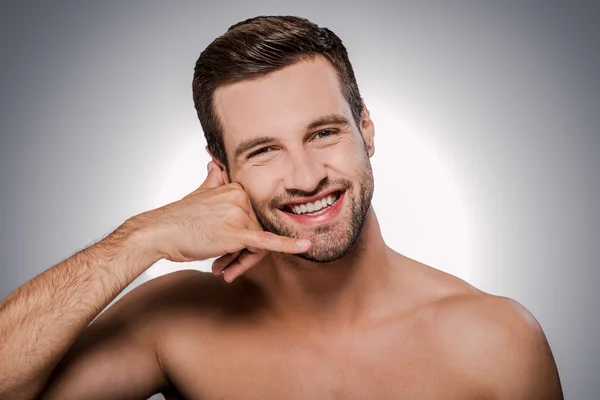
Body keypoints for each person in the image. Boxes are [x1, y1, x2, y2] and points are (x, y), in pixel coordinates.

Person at [0, 15, 563, 400]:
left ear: (366, 130)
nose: (306, 176)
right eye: (264, 150)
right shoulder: (174, 321)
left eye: (322, 133)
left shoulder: (496, 339)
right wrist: (138, 239)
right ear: (221, 169)